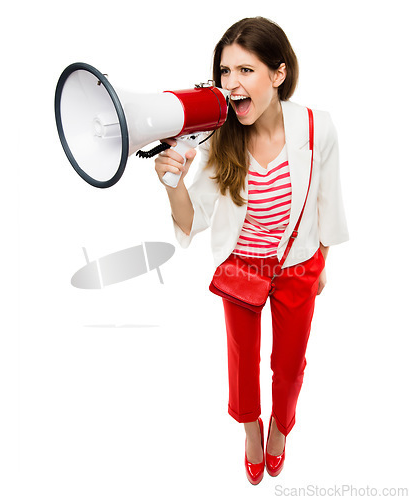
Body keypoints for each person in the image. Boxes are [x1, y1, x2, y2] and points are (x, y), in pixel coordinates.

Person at [155, 16, 349, 485]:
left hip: (298, 266)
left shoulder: (317, 128)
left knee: (289, 363)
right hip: (241, 267)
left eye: (245, 70)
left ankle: (281, 428)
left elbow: (328, 199)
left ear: (278, 75)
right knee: (242, 358)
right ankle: (250, 430)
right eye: (225, 72)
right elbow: (190, 221)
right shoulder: (223, 134)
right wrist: (172, 183)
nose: (231, 83)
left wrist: (322, 259)